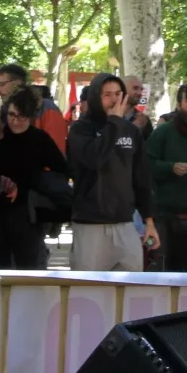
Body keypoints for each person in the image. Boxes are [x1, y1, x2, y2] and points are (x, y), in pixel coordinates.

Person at [67, 73, 158, 271]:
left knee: (131, 288)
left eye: (118, 93)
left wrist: (149, 221)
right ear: (95, 97)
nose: (114, 99)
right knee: (89, 291)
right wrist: (114, 123)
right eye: (107, 94)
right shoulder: (80, 129)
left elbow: (141, 178)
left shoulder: (131, 131)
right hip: (90, 225)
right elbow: (94, 159)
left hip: (125, 223)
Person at [0, 88, 67, 269]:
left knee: (29, 268)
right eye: (11, 115)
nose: (15, 121)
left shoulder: (39, 139)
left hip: (28, 213)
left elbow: (61, 169)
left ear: (31, 117)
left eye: (21, 117)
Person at [145, 84, 187, 271]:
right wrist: (170, 167)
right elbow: (145, 165)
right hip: (164, 213)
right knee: (162, 266)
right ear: (178, 104)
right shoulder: (163, 133)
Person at [122, 74, 155, 140]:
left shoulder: (144, 120)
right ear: (123, 89)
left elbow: (148, 146)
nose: (140, 93)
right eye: (135, 88)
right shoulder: (109, 116)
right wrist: (133, 128)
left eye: (141, 89)